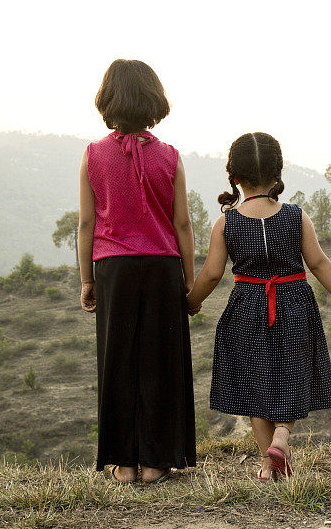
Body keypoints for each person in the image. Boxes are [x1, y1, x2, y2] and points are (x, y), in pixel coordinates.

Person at [186, 132, 331, 482]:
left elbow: (211, 274)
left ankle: (267, 465)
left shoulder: (226, 222)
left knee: (253, 387)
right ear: (278, 174)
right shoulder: (296, 216)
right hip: (294, 305)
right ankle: (283, 436)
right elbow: (318, 264)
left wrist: (190, 302)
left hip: (246, 309)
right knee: (292, 375)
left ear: (235, 176)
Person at [78, 59, 196, 484]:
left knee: (118, 362)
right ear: (154, 101)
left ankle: (123, 464)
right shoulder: (170, 157)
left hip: (113, 268)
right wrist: (188, 278)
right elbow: (182, 224)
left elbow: (87, 224)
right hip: (163, 267)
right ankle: (155, 463)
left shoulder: (93, 155)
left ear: (108, 101)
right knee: (159, 364)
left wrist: (87, 281)